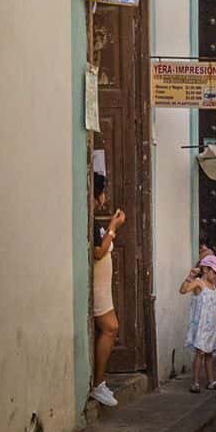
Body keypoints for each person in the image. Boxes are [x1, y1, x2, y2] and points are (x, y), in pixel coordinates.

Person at [89, 173, 125, 407]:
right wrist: (113, 228)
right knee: (111, 327)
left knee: (109, 328)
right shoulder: (90, 221)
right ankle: (98, 384)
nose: (105, 198)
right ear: (98, 194)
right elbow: (98, 252)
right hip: (97, 290)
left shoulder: (92, 219)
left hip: (102, 289)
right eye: (103, 193)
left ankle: (98, 382)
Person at [180, 255, 216, 392]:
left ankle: (211, 381)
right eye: (215, 272)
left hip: (211, 325)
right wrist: (190, 276)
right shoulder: (198, 283)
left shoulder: (213, 286)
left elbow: (210, 303)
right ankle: (195, 382)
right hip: (201, 325)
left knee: (209, 353)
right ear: (205, 270)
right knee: (200, 352)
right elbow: (183, 290)